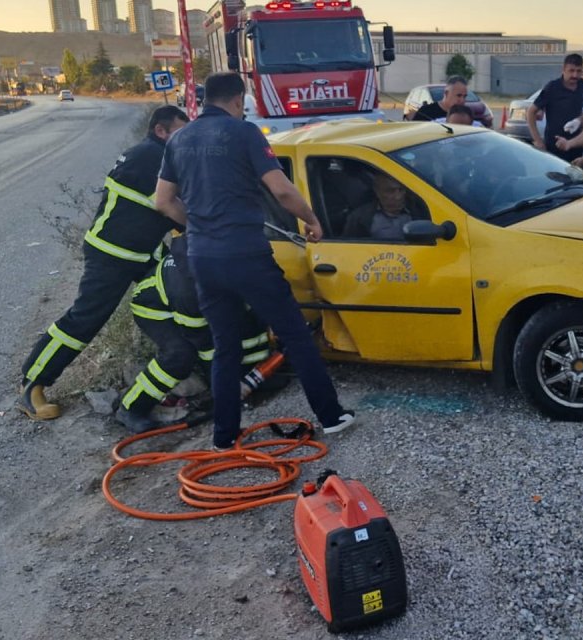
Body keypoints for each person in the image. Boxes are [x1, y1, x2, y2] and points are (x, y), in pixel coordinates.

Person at [155, 72, 356, 449]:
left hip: (202, 258)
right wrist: (311, 220)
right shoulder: (243, 133)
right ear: (237, 100)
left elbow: (163, 201)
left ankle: (224, 436)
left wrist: (199, 227)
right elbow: (280, 189)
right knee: (295, 334)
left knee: (225, 346)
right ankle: (331, 417)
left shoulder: (179, 139)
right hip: (246, 254)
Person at [17, 106, 189, 420]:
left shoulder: (154, 153)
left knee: (180, 298)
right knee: (85, 319)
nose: (185, 139)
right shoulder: (152, 156)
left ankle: (179, 369)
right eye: (180, 131)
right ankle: (33, 383)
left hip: (142, 252)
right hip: (112, 254)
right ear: (161, 131)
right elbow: (171, 206)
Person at [118, 234, 277, 433]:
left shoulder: (230, 257)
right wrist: (224, 389)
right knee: (180, 355)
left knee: (245, 320)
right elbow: (205, 345)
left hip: (197, 298)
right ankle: (132, 406)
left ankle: (255, 375)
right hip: (154, 308)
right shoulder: (188, 291)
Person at [527, 53, 583, 162]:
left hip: (575, 145)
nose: (575, 75)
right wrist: (538, 141)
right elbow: (531, 112)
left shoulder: (582, 85)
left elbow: (580, 111)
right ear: (563, 69)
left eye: (578, 71)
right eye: (571, 70)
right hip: (554, 146)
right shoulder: (552, 87)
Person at [343, 172, 415, 241]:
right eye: (390, 191)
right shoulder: (359, 217)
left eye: (401, 190)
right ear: (377, 191)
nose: (398, 197)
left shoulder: (419, 212)